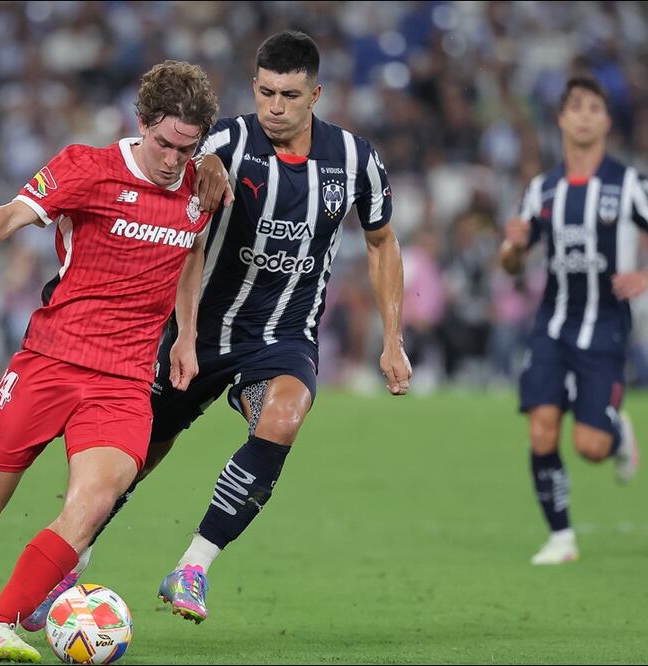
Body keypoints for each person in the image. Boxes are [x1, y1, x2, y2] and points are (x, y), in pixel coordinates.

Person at [21, 30, 411, 630]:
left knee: (284, 416)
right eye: (265, 92)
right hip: (195, 333)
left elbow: (382, 242)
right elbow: (170, 167)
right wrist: (200, 167)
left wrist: (392, 339)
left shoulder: (357, 160)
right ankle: (67, 566)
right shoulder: (225, 141)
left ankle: (194, 566)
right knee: (131, 462)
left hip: (282, 336)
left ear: (316, 95)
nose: (274, 107)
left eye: (289, 95)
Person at [0, 60, 219, 662]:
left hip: (125, 380)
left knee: (92, 505)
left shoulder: (202, 184)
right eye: (164, 144)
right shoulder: (87, 168)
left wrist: (186, 335)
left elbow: (193, 246)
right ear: (142, 122)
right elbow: (12, 213)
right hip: (52, 360)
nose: (174, 160)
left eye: (188, 149)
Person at [498, 76, 648, 565]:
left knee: (591, 447)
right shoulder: (541, 189)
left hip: (605, 325)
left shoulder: (627, 184)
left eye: (594, 108)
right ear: (561, 119)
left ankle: (617, 433)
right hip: (553, 322)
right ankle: (561, 537)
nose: (584, 116)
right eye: (576, 107)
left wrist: (647, 276)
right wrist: (513, 247)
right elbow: (512, 262)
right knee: (541, 429)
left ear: (606, 122)